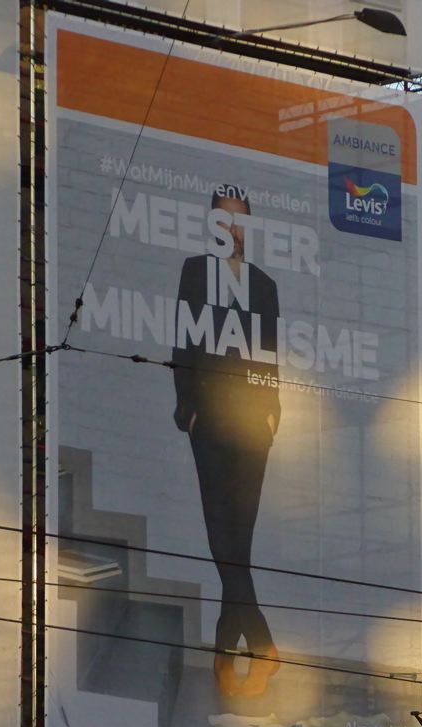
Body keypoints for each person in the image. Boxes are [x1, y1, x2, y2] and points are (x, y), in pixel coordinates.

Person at [172, 184, 281, 699]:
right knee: (223, 538)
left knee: (238, 542)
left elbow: (271, 352)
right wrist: (187, 408)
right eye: (224, 218)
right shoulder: (195, 272)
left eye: (240, 219)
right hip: (210, 418)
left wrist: (272, 411)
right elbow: (183, 343)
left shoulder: (264, 285)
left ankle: (224, 653)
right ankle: (261, 646)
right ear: (211, 225)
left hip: (254, 423)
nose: (232, 228)